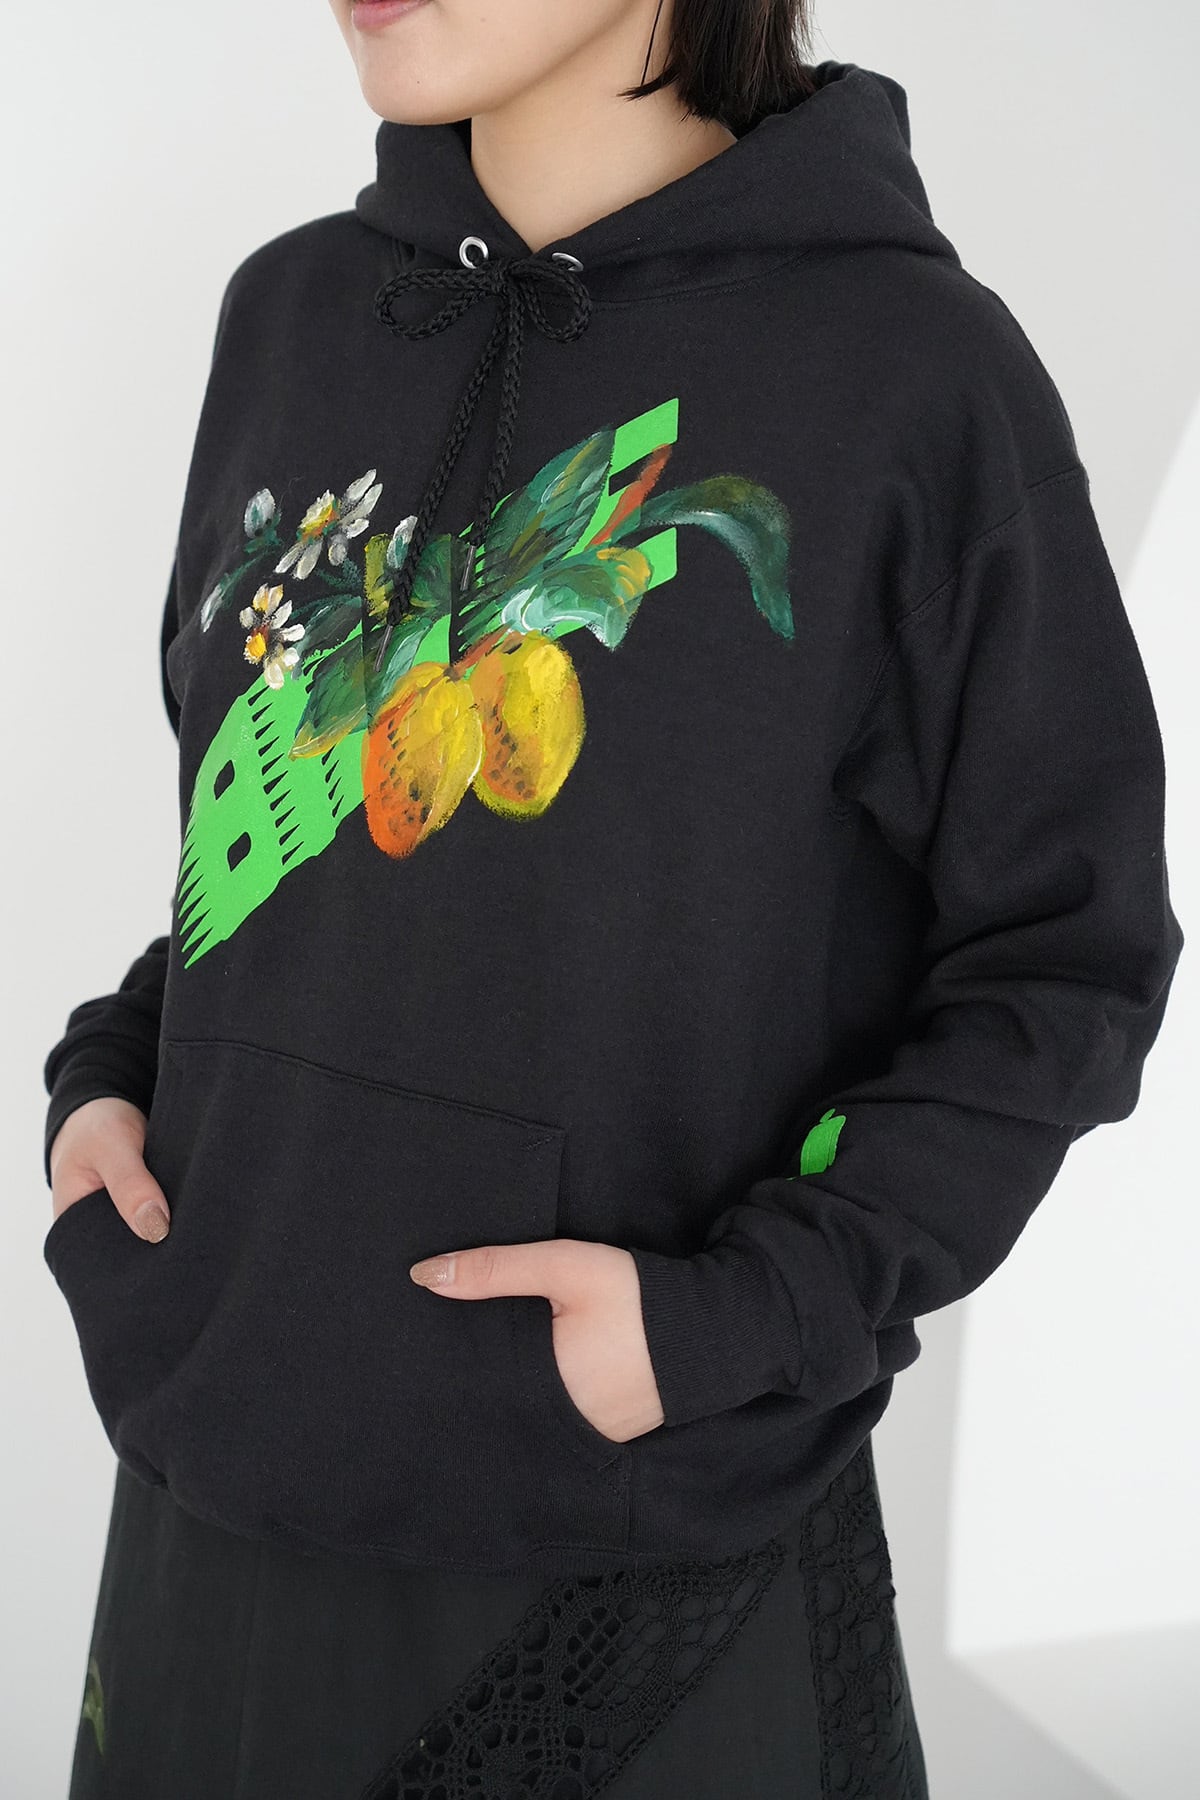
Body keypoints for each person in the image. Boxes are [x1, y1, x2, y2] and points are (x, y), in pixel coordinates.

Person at [41, 2, 1184, 1795]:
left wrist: (751, 1316)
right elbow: (276, 881)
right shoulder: (292, 314)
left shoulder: (913, 378)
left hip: (634, 1544)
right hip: (206, 1503)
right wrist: (112, 1072)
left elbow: (1068, 956)